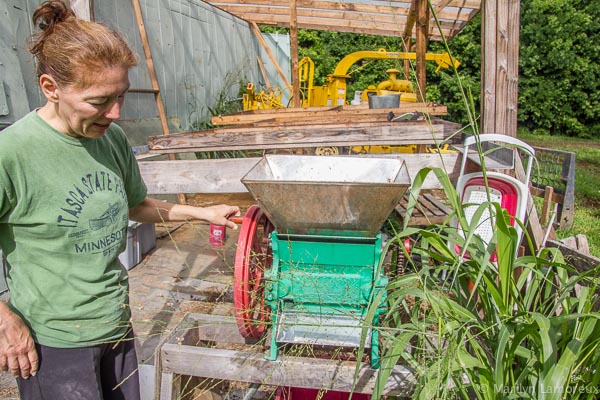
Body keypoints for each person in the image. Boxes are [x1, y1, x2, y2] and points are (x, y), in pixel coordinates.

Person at [0, 1, 240, 399]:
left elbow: (134, 205)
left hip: (114, 324)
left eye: (121, 96)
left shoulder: (109, 139)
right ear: (50, 88)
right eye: (98, 101)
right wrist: (4, 321)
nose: (115, 113)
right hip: (54, 341)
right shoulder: (13, 153)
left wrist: (202, 212)